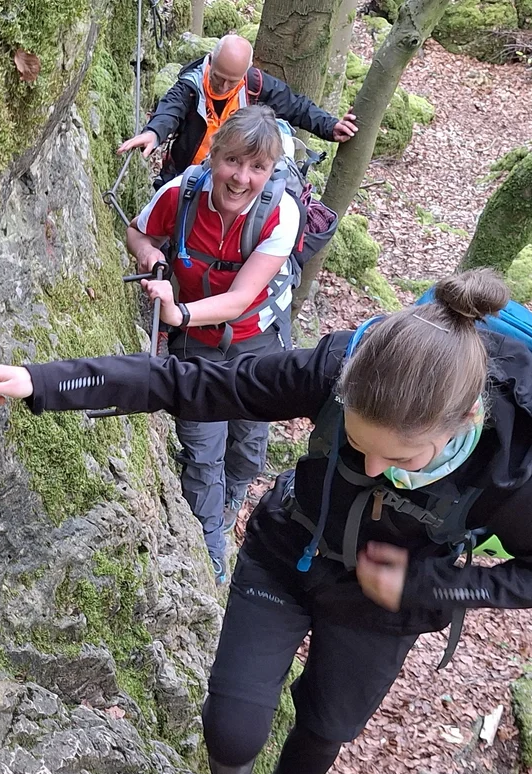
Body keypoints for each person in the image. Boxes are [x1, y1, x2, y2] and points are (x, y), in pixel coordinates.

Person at [0, 269, 532, 774]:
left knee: (328, 724)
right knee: (230, 744)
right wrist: (46, 382)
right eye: (357, 442)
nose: (373, 467)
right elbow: (200, 383)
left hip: (386, 606)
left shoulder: (516, 469)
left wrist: (434, 586)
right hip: (289, 551)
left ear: (464, 419)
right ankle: (239, 767)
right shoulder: (339, 368)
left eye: (399, 457)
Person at [128, 104, 300, 583]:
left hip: (255, 343)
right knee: (203, 452)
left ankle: (234, 494)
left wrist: (177, 313)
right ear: (215, 155)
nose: (242, 178)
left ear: (271, 170)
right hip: (197, 346)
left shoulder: (280, 213)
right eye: (233, 161)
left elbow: (241, 297)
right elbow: (137, 231)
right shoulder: (180, 195)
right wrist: (151, 256)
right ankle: (211, 550)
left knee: (249, 443)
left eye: (258, 167)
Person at [118, 33, 358, 188]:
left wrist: (330, 127)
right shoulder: (191, 85)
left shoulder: (256, 85)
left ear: (246, 71)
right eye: (218, 77)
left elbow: (297, 107)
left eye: (232, 81)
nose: (223, 87)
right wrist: (153, 133)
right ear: (210, 60)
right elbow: (170, 110)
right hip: (185, 176)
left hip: (232, 182)